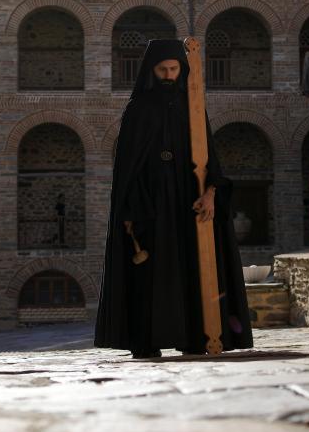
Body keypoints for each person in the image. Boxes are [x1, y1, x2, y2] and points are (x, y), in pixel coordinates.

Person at [95, 38, 253, 359]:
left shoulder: (193, 108)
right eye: (163, 69)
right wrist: (133, 209)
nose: (169, 75)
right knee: (149, 276)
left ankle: (195, 336)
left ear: (182, 70)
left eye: (174, 68)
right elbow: (127, 168)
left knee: (193, 266)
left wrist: (211, 193)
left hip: (187, 201)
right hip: (149, 205)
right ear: (152, 71)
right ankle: (146, 340)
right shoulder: (138, 109)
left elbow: (211, 160)